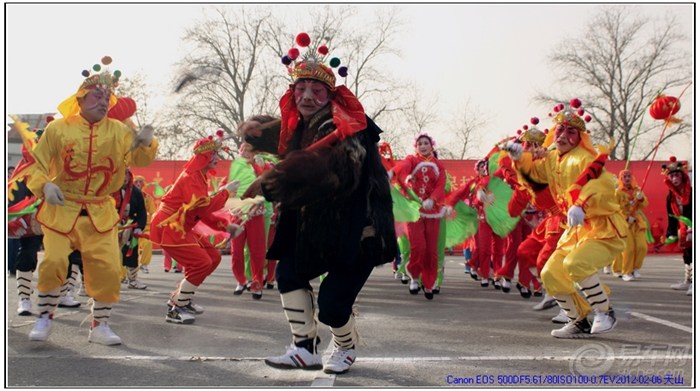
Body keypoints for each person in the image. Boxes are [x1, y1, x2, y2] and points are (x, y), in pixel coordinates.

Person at [239, 33, 397, 374]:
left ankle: (345, 345)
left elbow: (325, 170)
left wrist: (270, 183)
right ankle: (304, 347)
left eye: (316, 91)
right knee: (289, 273)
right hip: (317, 228)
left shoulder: (350, 128)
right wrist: (255, 129)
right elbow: (285, 136)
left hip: (358, 231)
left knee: (332, 306)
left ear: (329, 95)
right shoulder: (304, 122)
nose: (307, 97)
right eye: (301, 90)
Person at [26, 56, 159, 345]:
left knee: (109, 269)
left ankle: (100, 326)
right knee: (53, 262)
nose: (103, 101)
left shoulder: (119, 130)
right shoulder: (58, 129)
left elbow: (140, 159)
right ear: (82, 97)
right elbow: (36, 165)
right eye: (98, 96)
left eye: (108, 97)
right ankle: (45, 317)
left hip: (99, 210)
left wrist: (146, 140)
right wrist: (45, 185)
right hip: (62, 208)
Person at [504, 99, 627, 339]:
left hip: (602, 227)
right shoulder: (553, 158)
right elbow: (535, 177)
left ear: (579, 137)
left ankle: (605, 312)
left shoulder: (584, 158)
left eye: (571, 131)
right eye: (560, 130)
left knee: (575, 265)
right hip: (576, 230)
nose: (563, 135)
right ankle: (577, 320)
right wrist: (520, 158)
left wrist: (580, 204)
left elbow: (600, 184)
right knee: (550, 272)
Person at [150, 133, 241, 324]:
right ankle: (176, 308)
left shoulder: (199, 176)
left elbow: (201, 212)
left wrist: (226, 226)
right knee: (200, 263)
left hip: (181, 226)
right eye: (214, 154)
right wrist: (225, 192)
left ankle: (182, 298)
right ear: (205, 156)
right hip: (171, 226)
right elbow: (204, 207)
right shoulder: (192, 176)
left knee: (213, 258)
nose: (217, 158)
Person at [389, 133, 447, 300]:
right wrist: (392, 174)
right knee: (418, 247)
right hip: (414, 211)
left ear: (432, 146)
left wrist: (433, 199)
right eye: (420, 143)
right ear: (416, 147)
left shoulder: (439, 165)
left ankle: (429, 283)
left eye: (426, 143)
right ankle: (414, 276)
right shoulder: (412, 160)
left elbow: (441, 184)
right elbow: (403, 167)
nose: (423, 146)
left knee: (431, 251)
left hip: (433, 211)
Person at [113, 169, 148, 289]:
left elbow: (142, 212)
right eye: (122, 174)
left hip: (130, 226)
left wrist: (139, 227)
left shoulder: (136, 192)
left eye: (127, 175)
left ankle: (132, 280)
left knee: (131, 252)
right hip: (111, 225)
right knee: (108, 253)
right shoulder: (109, 189)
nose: (124, 178)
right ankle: (108, 280)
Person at [662, 157, 692, 295]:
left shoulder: (693, 191)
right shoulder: (671, 196)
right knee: (687, 253)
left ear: (683, 175)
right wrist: (671, 232)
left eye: (677, 174)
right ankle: (689, 280)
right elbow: (671, 216)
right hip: (684, 228)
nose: (675, 177)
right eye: (672, 175)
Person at [613, 170, 648, 282]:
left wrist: (641, 198)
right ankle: (626, 272)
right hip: (624, 223)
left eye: (629, 176)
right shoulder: (617, 193)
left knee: (642, 247)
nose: (627, 179)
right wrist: (626, 217)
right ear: (621, 179)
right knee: (629, 249)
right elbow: (614, 208)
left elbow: (645, 204)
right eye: (625, 177)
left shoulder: (638, 190)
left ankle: (635, 268)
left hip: (637, 222)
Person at [133, 175, 156, 274]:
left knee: (148, 243)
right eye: (136, 182)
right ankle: (125, 274)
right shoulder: (128, 195)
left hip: (145, 226)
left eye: (140, 182)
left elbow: (153, 212)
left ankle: (144, 264)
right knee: (130, 249)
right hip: (131, 226)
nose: (138, 184)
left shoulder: (148, 197)